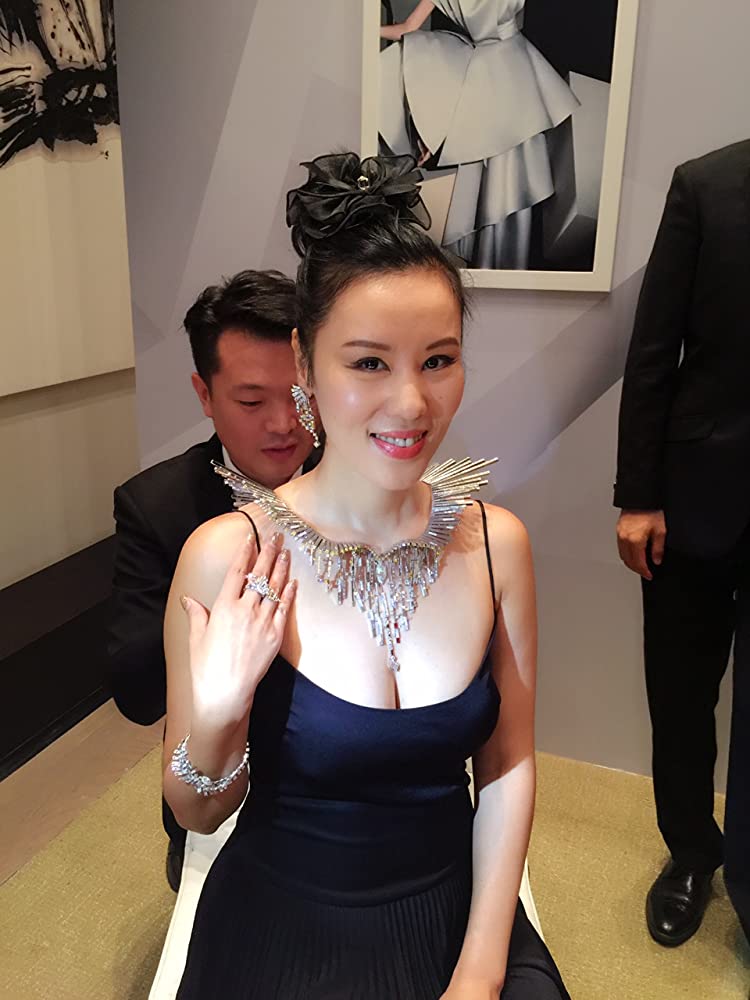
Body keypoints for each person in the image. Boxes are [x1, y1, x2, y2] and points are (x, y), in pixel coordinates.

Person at [163, 152, 569, 999]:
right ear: (305, 366)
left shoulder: (498, 545)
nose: (413, 404)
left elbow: (507, 766)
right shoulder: (226, 555)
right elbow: (196, 811)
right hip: (283, 926)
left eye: (438, 360)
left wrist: (480, 972)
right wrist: (220, 714)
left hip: (454, 914)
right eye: (370, 363)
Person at [107, 269, 317, 891]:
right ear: (204, 394)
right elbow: (137, 694)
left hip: (342, 775)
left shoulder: (362, 482)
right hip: (217, 786)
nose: (284, 423)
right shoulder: (158, 506)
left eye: (300, 394)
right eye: (251, 402)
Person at [615, 139, 750, 948]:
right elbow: (653, 348)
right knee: (680, 695)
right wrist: (639, 495)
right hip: (694, 497)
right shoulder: (706, 185)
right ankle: (692, 854)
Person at [378, 0, 579, 269]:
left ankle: (505, 267)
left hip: (502, 76)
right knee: (506, 182)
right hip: (504, 73)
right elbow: (409, 30)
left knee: (509, 181)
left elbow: (408, 28)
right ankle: (498, 268)